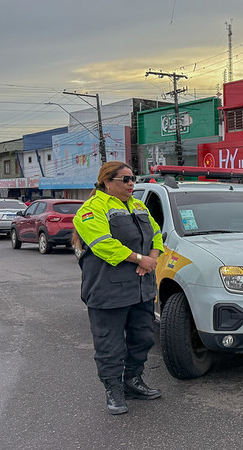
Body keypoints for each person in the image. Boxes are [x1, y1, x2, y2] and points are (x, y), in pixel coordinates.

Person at [72, 161, 164, 414]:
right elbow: (103, 244)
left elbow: (156, 233)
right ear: (107, 182)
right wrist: (139, 259)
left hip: (141, 287)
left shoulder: (138, 205)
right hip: (108, 290)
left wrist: (151, 258)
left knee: (143, 338)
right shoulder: (92, 209)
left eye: (133, 179)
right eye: (125, 179)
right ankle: (113, 390)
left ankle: (133, 381)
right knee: (110, 344)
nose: (131, 183)